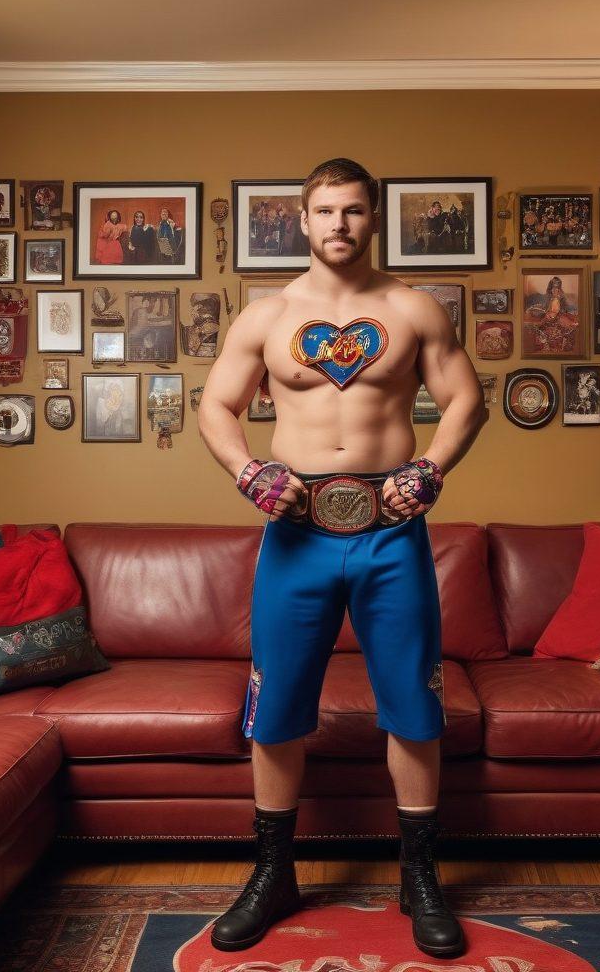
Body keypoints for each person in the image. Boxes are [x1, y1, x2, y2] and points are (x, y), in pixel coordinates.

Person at [198, 157, 487, 957]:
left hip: (393, 529)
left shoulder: (413, 308)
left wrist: (430, 468)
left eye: (354, 211)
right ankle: (273, 875)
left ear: (373, 218)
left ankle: (418, 878)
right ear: (302, 219)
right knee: (277, 706)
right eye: (325, 211)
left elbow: (467, 397)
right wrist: (247, 469)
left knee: (413, 705)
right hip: (294, 533)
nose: (339, 225)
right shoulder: (265, 316)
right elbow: (216, 404)